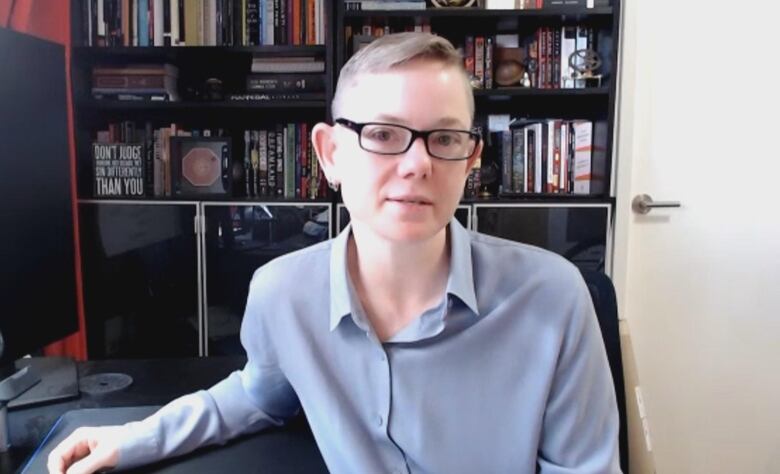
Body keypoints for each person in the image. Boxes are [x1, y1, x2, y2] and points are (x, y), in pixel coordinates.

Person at [48, 32, 620, 474]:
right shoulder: (282, 294)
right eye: (383, 133)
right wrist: (135, 437)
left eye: (445, 138)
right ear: (329, 154)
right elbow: (255, 395)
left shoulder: (554, 297)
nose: (418, 163)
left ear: (470, 159)